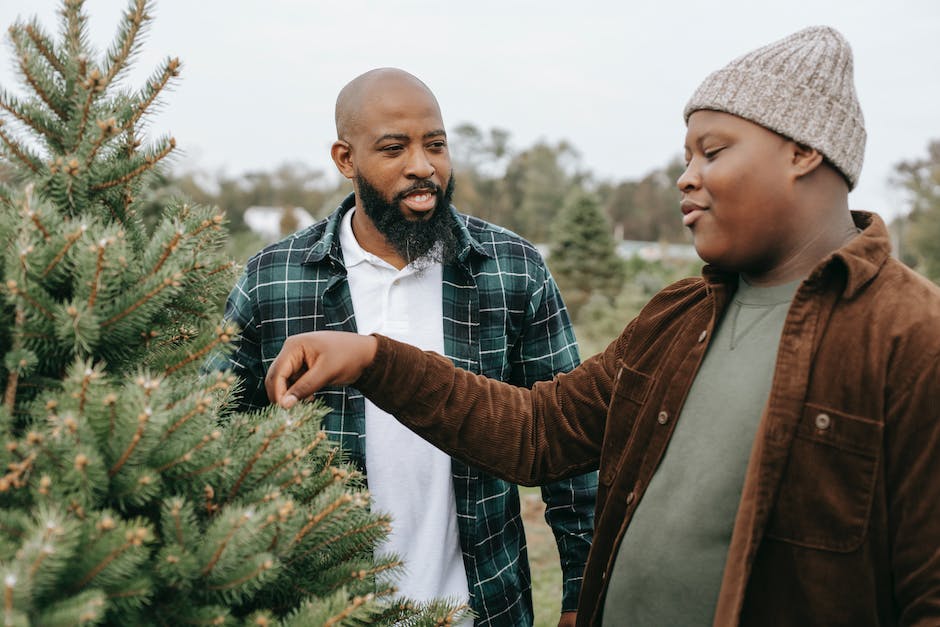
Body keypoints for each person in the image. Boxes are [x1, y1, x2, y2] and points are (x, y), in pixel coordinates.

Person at [263, 27, 940, 626]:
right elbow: (537, 430)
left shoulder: (910, 337)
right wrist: (374, 360)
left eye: (712, 152)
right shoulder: (677, 319)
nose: (685, 178)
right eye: (687, 156)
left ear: (802, 153)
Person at [211, 68, 596, 626]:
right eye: (394, 148)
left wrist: (581, 596)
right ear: (345, 160)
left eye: (435, 145)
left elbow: (574, 448)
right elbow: (216, 441)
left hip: (480, 609)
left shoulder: (512, 270)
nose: (423, 166)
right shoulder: (274, 280)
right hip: (325, 612)